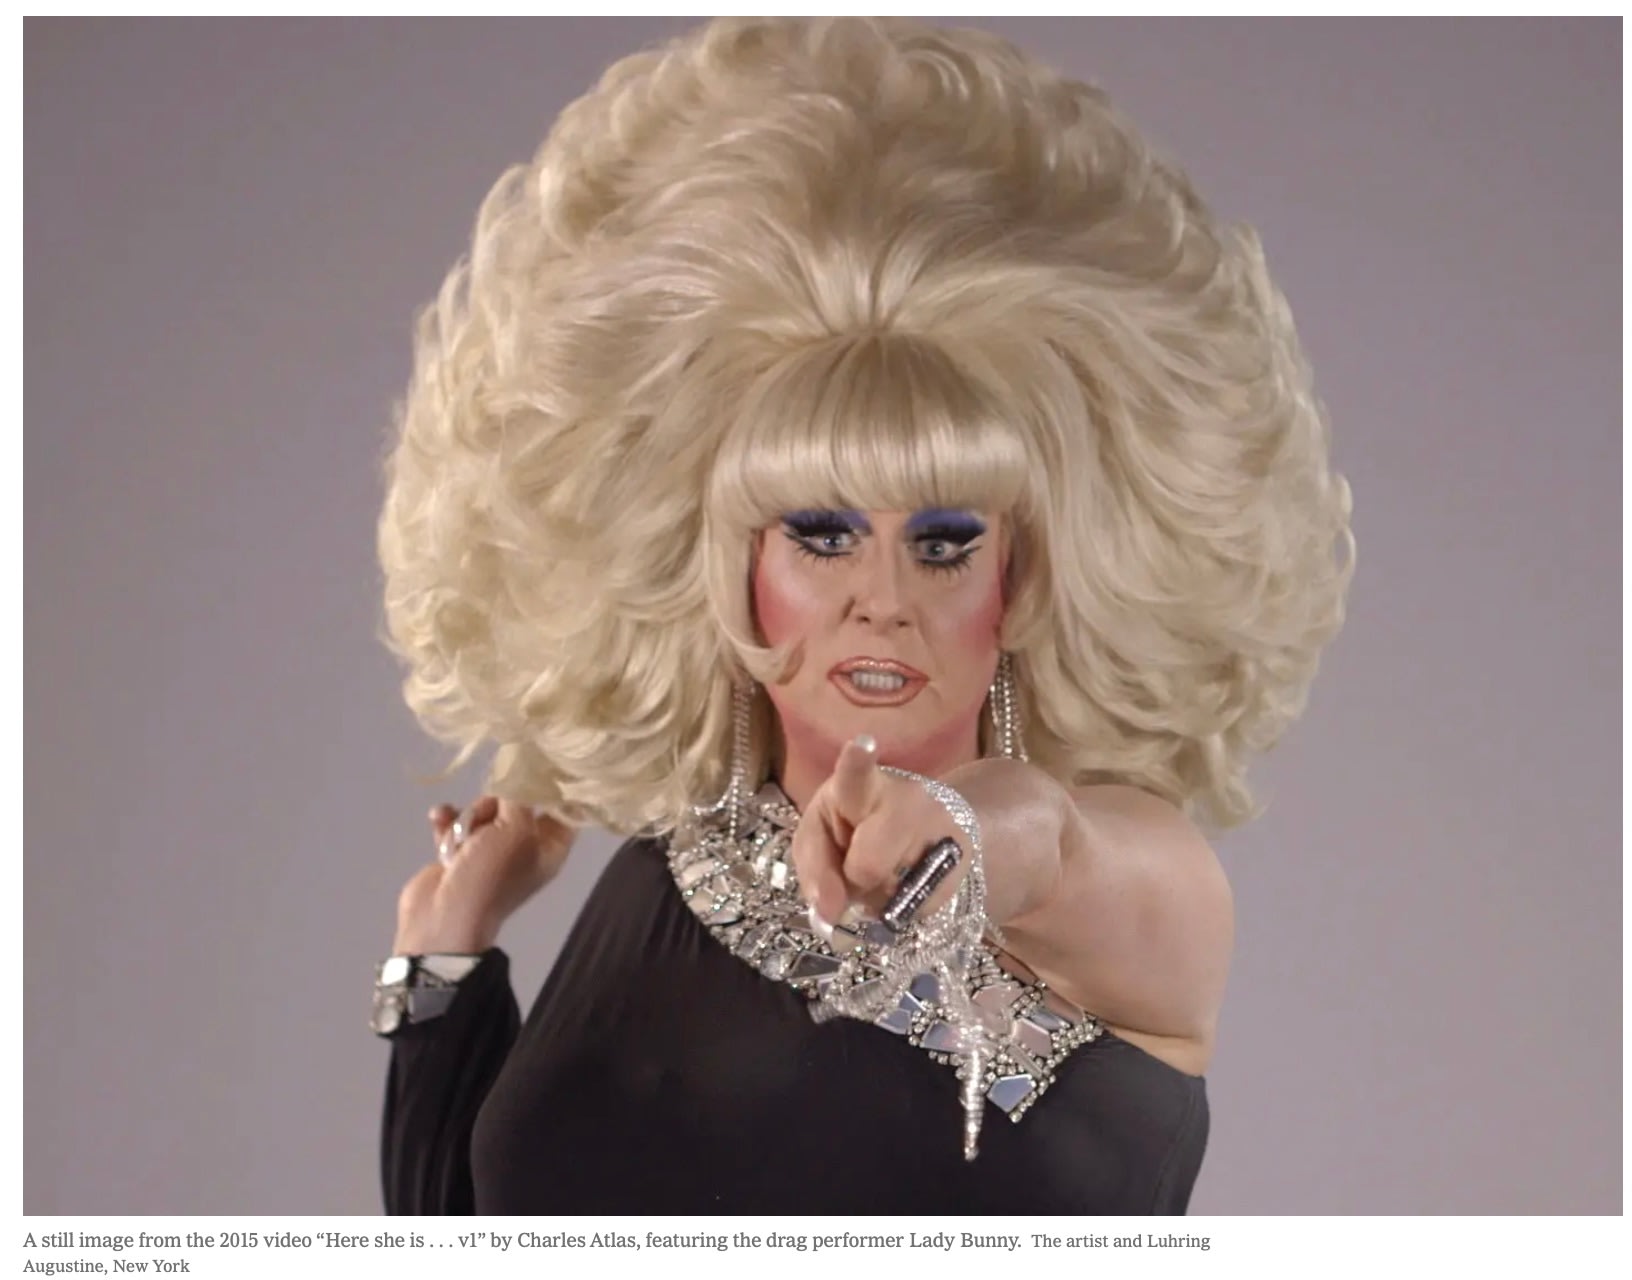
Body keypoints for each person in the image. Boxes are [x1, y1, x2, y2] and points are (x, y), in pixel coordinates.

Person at [371, 16, 1354, 1216]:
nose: (882, 597)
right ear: (723, 565)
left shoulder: (1139, 885)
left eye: (944, 542)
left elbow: (1050, 838)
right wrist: (448, 949)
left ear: (1029, 575)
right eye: (820, 532)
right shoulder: (658, 882)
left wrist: (968, 827)